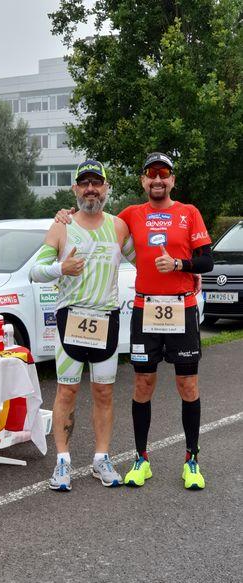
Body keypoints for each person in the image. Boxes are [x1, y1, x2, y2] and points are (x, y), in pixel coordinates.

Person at [55, 152, 214, 490]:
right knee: (143, 385)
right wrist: (66, 215)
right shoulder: (129, 215)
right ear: (143, 181)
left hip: (181, 309)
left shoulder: (189, 213)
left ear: (172, 179)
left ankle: (192, 461)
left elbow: (207, 262)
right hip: (146, 310)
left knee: (188, 386)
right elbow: (92, 216)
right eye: (151, 174)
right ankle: (142, 459)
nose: (158, 180)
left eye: (164, 174)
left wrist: (181, 266)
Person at [30, 159, 135, 491]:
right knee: (67, 390)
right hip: (71, 318)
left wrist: (187, 273)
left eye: (97, 182)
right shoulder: (62, 226)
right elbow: (36, 271)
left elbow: (143, 259)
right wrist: (63, 268)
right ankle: (63, 463)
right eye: (84, 182)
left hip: (106, 318)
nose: (91, 188)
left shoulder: (118, 227)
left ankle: (101, 459)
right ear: (75, 188)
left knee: (103, 392)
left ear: (106, 188)